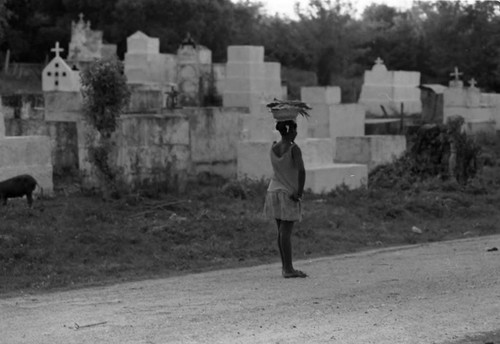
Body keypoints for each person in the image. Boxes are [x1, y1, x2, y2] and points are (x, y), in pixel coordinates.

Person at [263, 119, 307, 278]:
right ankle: (288, 269)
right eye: (295, 130)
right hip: (288, 192)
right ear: (290, 131)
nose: (296, 133)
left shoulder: (274, 147)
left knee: (281, 231)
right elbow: (301, 171)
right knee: (286, 232)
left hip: (273, 191)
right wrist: (299, 192)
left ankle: (285, 267)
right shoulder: (294, 149)